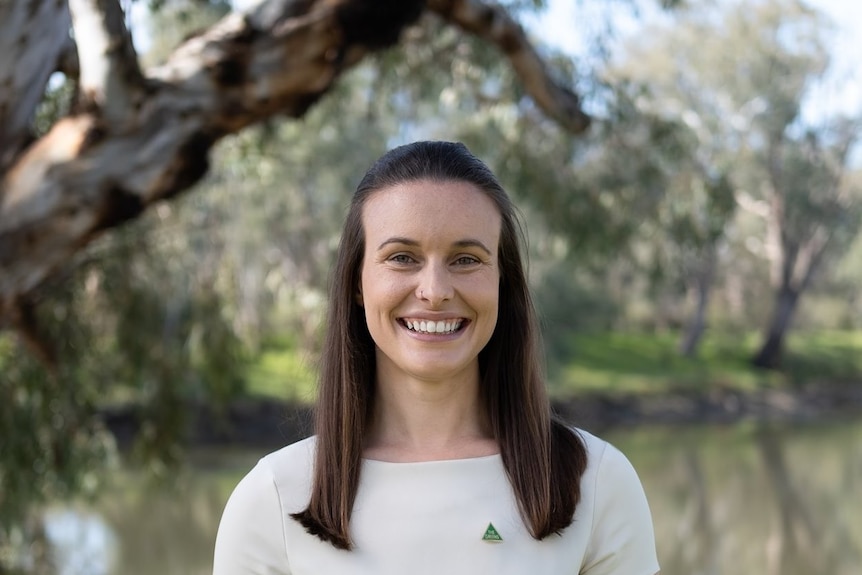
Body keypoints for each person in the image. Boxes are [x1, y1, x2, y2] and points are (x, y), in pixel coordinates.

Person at [213, 141, 659, 575]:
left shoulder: (595, 482)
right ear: (356, 283)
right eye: (403, 258)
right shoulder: (273, 499)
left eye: (466, 259)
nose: (435, 290)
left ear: (503, 282)